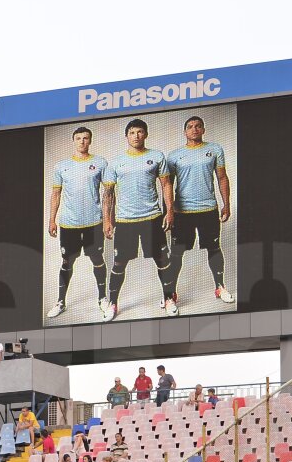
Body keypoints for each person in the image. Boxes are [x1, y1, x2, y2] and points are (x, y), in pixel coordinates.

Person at [101, 119, 173, 320]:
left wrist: (170, 211)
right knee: (119, 264)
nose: (136, 136)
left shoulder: (157, 156)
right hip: (125, 221)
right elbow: (108, 193)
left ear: (146, 134)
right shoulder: (116, 162)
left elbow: (166, 185)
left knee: (162, 260)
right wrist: (107, 220)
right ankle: (113, 304)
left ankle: (168, 298)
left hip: (152, 217)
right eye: (132, 132)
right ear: (126, 136)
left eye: (140, 132)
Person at [164, 115, 234, 306]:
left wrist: (226, 203)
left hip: (208, 210)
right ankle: (170, 294)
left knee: (214, 248)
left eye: (198, 126)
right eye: (190, 127)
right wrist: (168, 211)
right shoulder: (174, 155)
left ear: (203, 130)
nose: (194, 129)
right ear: (185, 131)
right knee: (176, 253)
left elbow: (222, 177)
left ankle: (220, 286)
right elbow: (166, 184)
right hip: (182, 213)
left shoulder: (214, 150)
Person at [47, 125, 110, 320]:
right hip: (69, 224)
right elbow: (55, 194)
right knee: (67, 262)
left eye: (86, 138)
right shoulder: (61, 166)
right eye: (79, 138)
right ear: (73, 141)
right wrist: (52, 220)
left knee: (98, 260)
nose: (82, 141)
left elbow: (108, 195)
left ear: (90, 141)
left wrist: (108, 221)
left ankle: (102, 298)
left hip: (94, 223)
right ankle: (61, 302)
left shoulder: (101, 163)